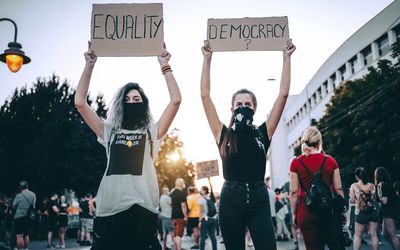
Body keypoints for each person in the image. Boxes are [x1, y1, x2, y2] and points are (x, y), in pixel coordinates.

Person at [75, 41, 181, 250]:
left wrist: (165, 65)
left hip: (142, 210)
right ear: (121, 105)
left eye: (137, 98)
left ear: (144, 103)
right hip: (109, 211)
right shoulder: (109, 131)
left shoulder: (151, 133)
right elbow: (80, 102)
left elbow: (176, 100)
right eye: (128, 99)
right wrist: (89, 64)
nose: (132, 102)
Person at [200, 39, 295, 250]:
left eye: (247, 104)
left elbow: (283, 94)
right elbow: (205, 96)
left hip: (259, 200)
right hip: (230, 201)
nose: (243, 108)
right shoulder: (222, 133)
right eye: (239, 105)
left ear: (255, 108)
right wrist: (207, 59)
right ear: (232, 109)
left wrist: (286, 58)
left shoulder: (264, 132)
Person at [289, 126, 345, 250]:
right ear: (320, 142)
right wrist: (341, 210)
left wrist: (294, 214)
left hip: (306, 211)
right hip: (329, 211)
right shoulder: (331, 161)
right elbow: (339, 189)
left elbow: (293, 192)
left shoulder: (296, 163)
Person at [349, 167, 379, 250]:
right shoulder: (372, 186)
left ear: (357, 176)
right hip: (373, 212)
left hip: (360, 213)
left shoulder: (354, 186)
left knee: (358, 236)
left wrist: (357, 199)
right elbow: (374, 198)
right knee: (374, 235)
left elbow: (351, 201)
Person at [375, 167, 400, 250]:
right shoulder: (385, 185)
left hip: (389, 211)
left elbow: (384, 200)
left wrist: (374, 198)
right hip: (388, 212)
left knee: (393, 235)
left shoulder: (383, 185)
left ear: (378, 176)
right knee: (385, 234)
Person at [13, 181, 36, 250]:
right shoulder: (33, 194)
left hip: (19, 217)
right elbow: (33, 206)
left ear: (20, 187)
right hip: (28, 217)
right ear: (27, 186)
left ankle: (20, 249)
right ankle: (26, 248)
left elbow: (14, 206)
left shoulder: (18, 195)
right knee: (26, 234)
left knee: (19, 236)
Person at [170, 178, 188, 250]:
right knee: (179, 235)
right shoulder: (181, 193)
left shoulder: (172, 193)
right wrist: (185, 216)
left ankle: (176, 248)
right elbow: (183, 206)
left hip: (173, 216)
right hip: (180, 216)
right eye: (183, 182)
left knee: (175, 234)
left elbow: (171, 204)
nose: (184, 184)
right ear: (181, 184)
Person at [198, 185, 217, 250]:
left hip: (205, 219)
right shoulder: (211, 198)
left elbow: (200, 211)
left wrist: (200, 221)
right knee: (213, 236)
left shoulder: (201, 200)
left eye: (201, 189)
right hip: (213, 219)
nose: (200, 191)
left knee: (203, 236)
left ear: (204, 191)